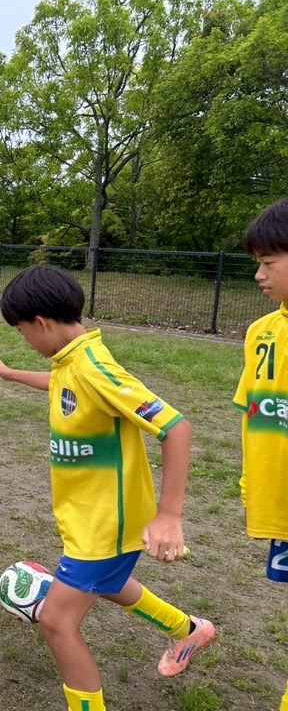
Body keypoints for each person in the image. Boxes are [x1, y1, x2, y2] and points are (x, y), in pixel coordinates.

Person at [0, 265, 215, 711]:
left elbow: (175, 427)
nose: (23, 340)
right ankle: (189, 631)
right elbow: (62, 386)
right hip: (87, 520)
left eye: (21, 331)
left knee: (56, 621)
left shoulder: (94, 367)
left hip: (106, 525)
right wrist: (11, 374)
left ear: (41, 323)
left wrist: (169, 515)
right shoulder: (71, 362)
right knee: (108, 585)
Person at [233, 199, 288, 711]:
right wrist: (251, 487)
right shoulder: (261, 333)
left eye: (269, 262)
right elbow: (254, 414)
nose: (259, 274)